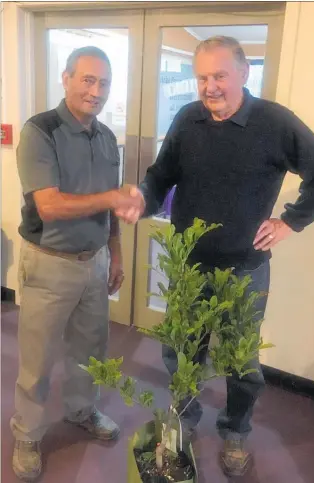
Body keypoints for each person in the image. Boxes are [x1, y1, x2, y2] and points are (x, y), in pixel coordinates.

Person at [115, 36, 314, 477]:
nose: (209, 86)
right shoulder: (187, 118)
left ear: (243, 74)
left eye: (219, 75)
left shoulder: (274, 122)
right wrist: (145, 197)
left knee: (240, 359)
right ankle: (185, 420)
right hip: (188, 265)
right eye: (202, 77)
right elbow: (162, 174)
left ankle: (235, 431)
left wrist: (291, 222)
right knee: (183, 351)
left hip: (244, 269)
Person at [12, 46, 142, 481]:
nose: (96, 90)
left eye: (104, 83)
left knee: (90, 350)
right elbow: (48, 206)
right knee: (38, 359)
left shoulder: (106, 138)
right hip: (49, 264)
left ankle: (82, 410)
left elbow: (109, 212)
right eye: (87, 80)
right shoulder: (40, 131)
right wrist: (112, 198)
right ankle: (27, 433)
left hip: (95, 262)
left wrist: (116, 253)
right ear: (66, 79)